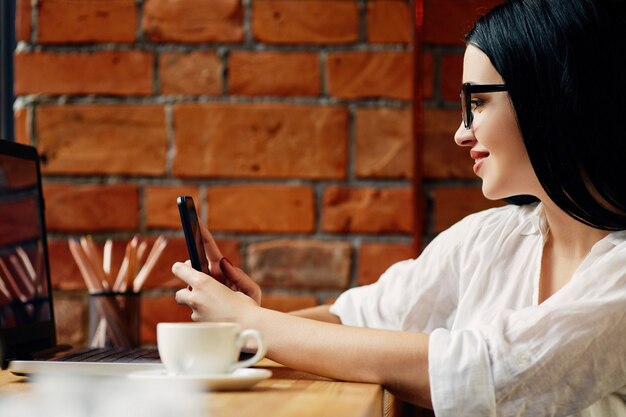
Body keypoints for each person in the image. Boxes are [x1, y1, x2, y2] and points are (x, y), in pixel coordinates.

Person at [172, 0, 626, 415]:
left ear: (549, 97)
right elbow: (361, 317)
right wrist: (240, 323)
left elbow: (485, 370)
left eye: (479, 103)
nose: (461, 133)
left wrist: (253, 324)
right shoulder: (490, 238)